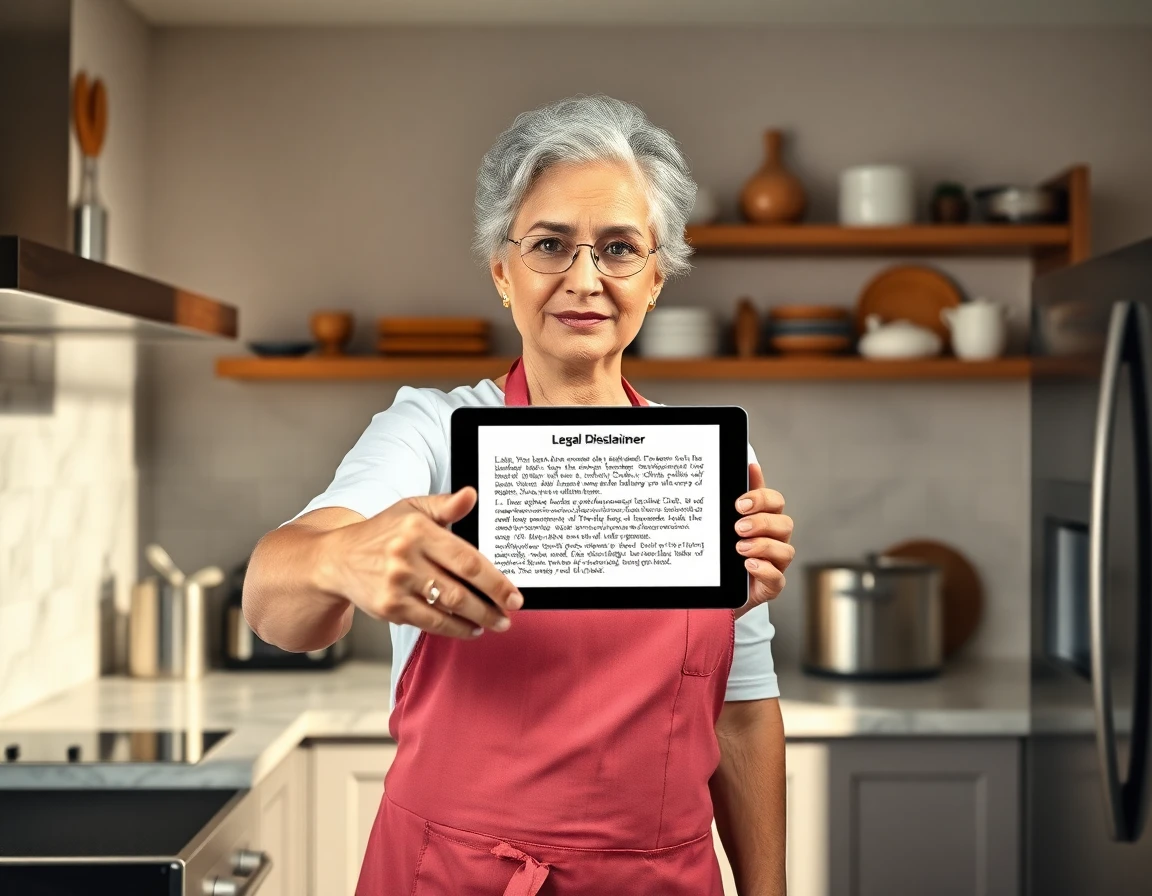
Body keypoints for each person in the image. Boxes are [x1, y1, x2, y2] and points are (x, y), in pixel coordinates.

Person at [244, 95, 794, 896]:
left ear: (655, 279)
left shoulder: (709, 459)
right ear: (502, 273)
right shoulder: (432, 433)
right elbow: (273, 601)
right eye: (548, 245)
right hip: (452, 878)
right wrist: (342, 558)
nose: (583, 279)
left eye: (618, 249)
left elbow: (742, 711)